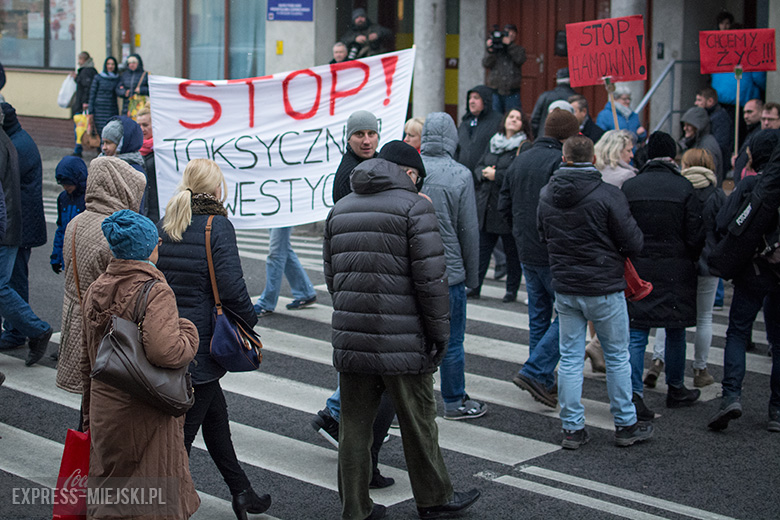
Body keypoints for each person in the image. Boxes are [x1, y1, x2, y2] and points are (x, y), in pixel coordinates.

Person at [324, 140, 481, 520]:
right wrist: (439, 335)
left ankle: (356, 508)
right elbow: (431, 282)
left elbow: (333, 279)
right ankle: (435, 499)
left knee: (354, 426)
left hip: (353, 334)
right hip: (404, 337)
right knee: (418, 421)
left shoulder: (339, 209)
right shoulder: (415, 208)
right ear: (409, 174)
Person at [156, 159, 272, 519]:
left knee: (215, 419)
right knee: (182, 440)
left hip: (172, 336)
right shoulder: (216, 225)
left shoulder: (168, 221)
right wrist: (250, 325)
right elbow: (233, 288)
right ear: (215, 188)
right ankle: (163, 508)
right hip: (203, 346)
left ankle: (242, 493)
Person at [80, 209, 200, 519]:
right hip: (144, 407)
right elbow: (166, 352)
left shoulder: (96, 288)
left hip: (106, 406)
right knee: (149, 497)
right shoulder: (154, 290)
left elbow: (86, 355)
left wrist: (86, 411)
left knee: (113, 489)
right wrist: (189, 333)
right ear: (148, 247)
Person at [537, 135, 652, 448]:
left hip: (566, 285)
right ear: (594, 158)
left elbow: (542, 235)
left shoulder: (547, 194)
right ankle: (625, 423)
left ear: (564, 157)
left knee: (571, 359)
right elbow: (633, 243)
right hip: (604, 286)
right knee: (616, 357)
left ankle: (572, 427)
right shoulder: (608, 194)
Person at [499, 108, 580, 407]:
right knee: (570, 315)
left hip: (526, 249)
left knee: (539, 316)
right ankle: (537, 371)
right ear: (568, 135)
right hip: (553, 251)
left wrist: (519, 233)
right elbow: (563, 209)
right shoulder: (559, 163)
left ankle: (542, 378)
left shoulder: (521, 158)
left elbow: (503, 203)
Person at [622, 132, 704, 416]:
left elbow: (622, 230)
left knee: (636, 333)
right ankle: (676, 388)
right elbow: (696, 234)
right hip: (676, 269)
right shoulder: (683, 188)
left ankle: (633, 393)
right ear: (672, 156)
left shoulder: (631, 187)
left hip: (639, 267)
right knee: (675, 330)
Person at [708, 132, 780, 432]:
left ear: (754, 157)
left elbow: (724, 221)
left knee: (738, 331)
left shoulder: (752, 185)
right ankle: (776, 410)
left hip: (753, 271)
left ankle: (732, 396)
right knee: (778, 342)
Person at [56, 157, 146, 397]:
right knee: (105, 396)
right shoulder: (114, 230)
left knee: (89, 395)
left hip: (76, 314)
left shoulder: (76, 222)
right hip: (106, 325)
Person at [419, 117, 487, 420]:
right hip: (450, 271)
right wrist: (472, 276)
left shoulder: (411, 170)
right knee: (453, 340)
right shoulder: (460, 174)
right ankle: (454, 399)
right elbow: (469, 231)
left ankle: (409, 400)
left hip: (417, 268)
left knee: (415, 337)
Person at [646, 149, 725, 390]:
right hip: (708, 261)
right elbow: (723, 227)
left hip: (680, 262)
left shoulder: (680, 188)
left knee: (667, 314)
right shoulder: (717, 194)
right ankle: (700, 369)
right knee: (704, 318)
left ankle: (657, 362)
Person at [0, 103, 51, 364]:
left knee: (13, 282)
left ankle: (22, 330)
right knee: (10, 281)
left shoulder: (17, 145)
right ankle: (17, 330)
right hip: (18, 222)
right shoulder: (16, 139)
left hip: (19, 225)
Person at [471, 109, 531, 301]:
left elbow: (519, 174)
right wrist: (483, 173)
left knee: (511, 252)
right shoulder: (493, 141)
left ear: (523, 124)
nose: (514, 120)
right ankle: (474, 287)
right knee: (481, 251)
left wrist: (497, 176)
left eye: (518, 118)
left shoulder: (523, 146)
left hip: (506, 207)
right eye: (511, 117)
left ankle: (511, 291)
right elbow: (479, 165)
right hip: (486, 205)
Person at [252, 226, 317, 316]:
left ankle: (266, 303)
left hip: (282, 214)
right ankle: (305, 292)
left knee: (276, 253)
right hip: (275, 213)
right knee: (283, 249)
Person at [49, 156, 87, 275]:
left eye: (69, 183)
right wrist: (56, 256)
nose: (66, 187)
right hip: (68, 256)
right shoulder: (63, 198)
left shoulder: (88, 198)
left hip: (83, 256)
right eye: (63, 184)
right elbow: (61, 229)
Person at [332, 110, 379, 203]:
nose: (367, 141)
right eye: (359, 134)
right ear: (349, 139)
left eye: (371, 134)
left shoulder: (384, 163)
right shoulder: (347, 177)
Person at [455, 85, 504, 174]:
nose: (471, 101)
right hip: (462, 176)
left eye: (476, 98)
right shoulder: (465, 123)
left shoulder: (498, 122)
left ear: (485, 101)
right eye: (470, 98)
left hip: (484, 178)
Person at [483, 23, 527, 113]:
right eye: (508, 33)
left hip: (512, 92)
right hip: (496, 91)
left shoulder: (518, 49)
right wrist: (490, 50)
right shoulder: (496, 49)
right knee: (495, 116)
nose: (510, 35)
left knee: (513, 114)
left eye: (513, 33)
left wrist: (509, 45)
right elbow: (486, 63)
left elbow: (520, 59)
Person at [679, 106, 724, 184]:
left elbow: (709, 173)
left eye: (688, 125)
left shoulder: (708, 145)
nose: (685, 128)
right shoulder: (695, 142)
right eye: (684, 125)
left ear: (698, 126)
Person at [694, 87, 732, 175]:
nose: (696, 103)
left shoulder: (720, 118)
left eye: (699, 100)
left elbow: (721, 143)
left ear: (710, 101)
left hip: (716, 161)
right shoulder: (711, 115)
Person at [530, 68, 577, 139]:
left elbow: (534, 120)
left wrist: (537, 136)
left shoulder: (545, 96)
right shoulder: (576, 99)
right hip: (566, 140)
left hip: (543, 137)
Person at [70, 51, 97, 157]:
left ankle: (78, 149)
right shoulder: (90, 70)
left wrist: (85, 102)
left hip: (82, 105)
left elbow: (86, 87)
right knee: (84, 126)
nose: (78, 62)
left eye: (80, 59)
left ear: (84, 60)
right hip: (84, 103)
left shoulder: (86, 71)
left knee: (80, 126)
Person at [136, 107, 159, 222]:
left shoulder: (161, 151)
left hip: (157, 210)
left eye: (145, 125)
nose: (141, 129)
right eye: (139, 125)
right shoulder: (135, 149)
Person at [88, 56, 120, 137]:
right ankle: (101, 149)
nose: (110, 66)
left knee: (110, 131)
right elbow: (92, 94)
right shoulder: (98, 77)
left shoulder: (117, 78)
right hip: (99, 110)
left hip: (111, 109)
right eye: (108, 64)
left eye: (112, 64)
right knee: (100, 132)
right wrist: (90, 110)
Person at [733, 98, 764, 181]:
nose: (746, 116)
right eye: (744, 112)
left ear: (761, 112)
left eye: (750, 112)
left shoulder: (760, 134)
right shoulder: (751, 132)